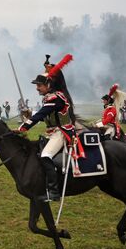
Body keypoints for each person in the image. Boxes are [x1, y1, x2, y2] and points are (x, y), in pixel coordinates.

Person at [16, 54, 75, 202]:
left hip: (61, 133)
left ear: (49, 84)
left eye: (39, 85)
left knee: (45, 156)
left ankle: (54, 192)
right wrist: (31, 114)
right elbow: (45, 114)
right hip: (52, 132)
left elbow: (42, 113)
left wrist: (23, 127)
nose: (37, 88)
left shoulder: (57, 97)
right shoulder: (51, 97)